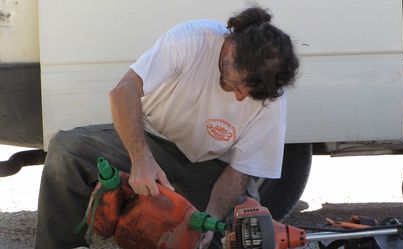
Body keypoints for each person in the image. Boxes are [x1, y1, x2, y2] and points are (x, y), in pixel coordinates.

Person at [35, 6, 299, 249]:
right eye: (239, 86)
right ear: (232, 51)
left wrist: (210, 220)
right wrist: (141, 159)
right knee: (67, 149)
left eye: (249, 94)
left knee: (249, 228)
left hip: (212, 170)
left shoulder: (271, 99)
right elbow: (123, 92)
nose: (241, 98)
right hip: (152, 140)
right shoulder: (191, 39)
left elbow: (238, 173)